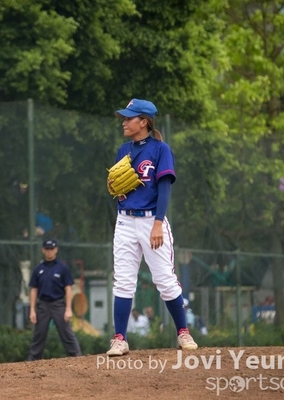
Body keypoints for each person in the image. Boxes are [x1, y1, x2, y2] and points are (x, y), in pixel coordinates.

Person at [106, 99, 197, 356]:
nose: (124, 121)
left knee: (164, 280)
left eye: (129, 118)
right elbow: (118, 189)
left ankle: (183, 332)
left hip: (151, 221)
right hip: (124, 221)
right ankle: (120, 338)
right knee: (123, 282)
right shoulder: (122, 150)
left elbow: (164, 189)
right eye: (124, 117)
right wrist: (114, 187)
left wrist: (158, 223)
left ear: (143, 122)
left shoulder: (160, 149)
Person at [27, 239, 82, 361]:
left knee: (66, 332)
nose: (49, 251)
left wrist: (68, 309)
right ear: (43, 250)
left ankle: (76, 357)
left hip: (58, 304)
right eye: (47, 249)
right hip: (43, 305)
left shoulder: (62, 268)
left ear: (56, 250)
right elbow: (34, 290)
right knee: (39, 334)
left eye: (51, 249)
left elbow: (68, 288)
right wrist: (32, 310)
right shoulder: (38, 269)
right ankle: (33, 361)